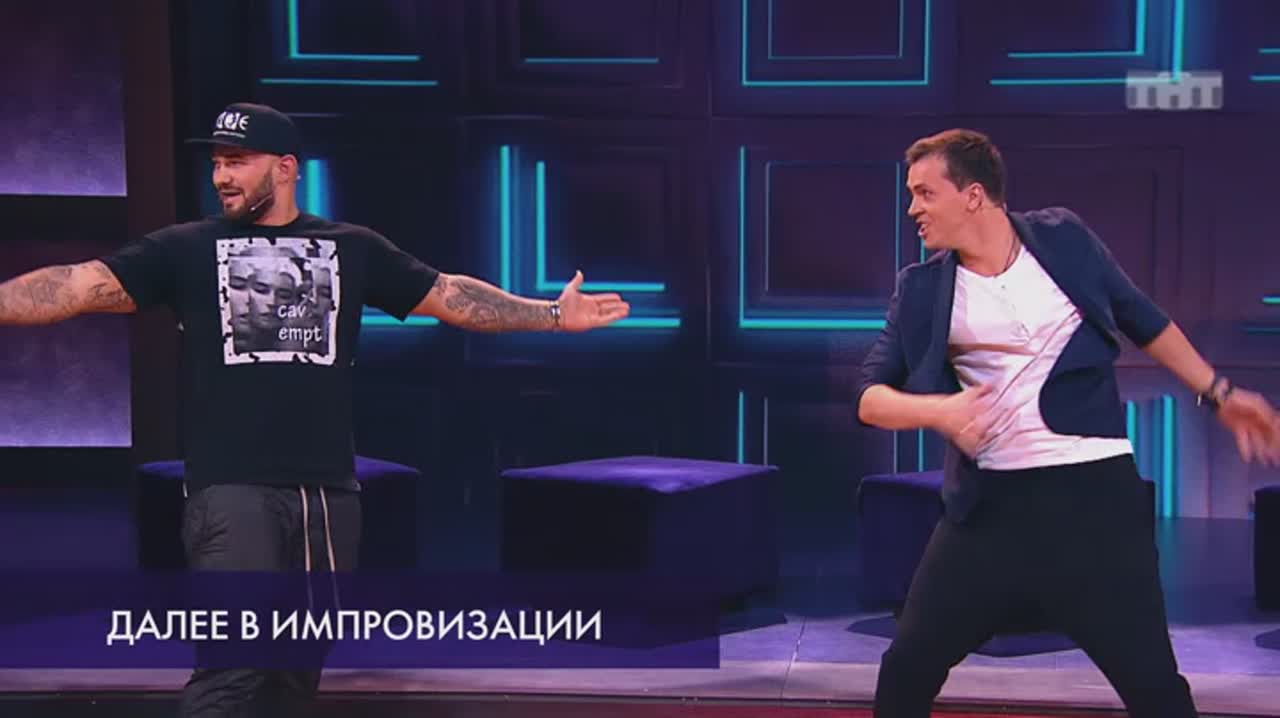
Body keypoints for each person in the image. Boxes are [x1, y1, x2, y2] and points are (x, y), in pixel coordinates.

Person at [0, 102, 630, 717]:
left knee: (296, 671)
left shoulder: (349, 248)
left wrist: (552, 315)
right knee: (232, 668)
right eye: (217, 163)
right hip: (232, 491)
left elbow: (448, 295)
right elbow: (78, 284)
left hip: (327, 494)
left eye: (237, 162)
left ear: (285, 168)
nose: (221, 177)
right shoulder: (186, 249)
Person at [854, 128, 1280, 718]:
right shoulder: (921, 289)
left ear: (973, 195)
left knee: (1155, 689)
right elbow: (869, 397)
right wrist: (939, 411)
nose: (912, 209)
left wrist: (1219, 392)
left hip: (1094, 503)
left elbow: (1142, 319)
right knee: (906, 671)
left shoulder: (1063, 238)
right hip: (988, 512)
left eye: (925, 193)